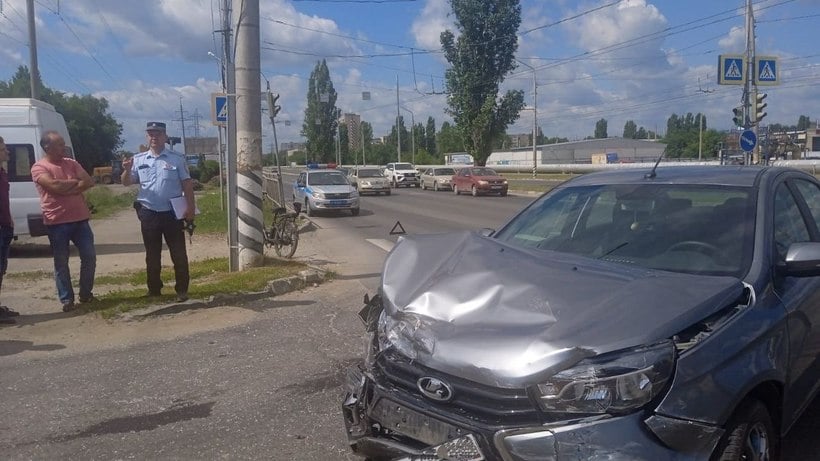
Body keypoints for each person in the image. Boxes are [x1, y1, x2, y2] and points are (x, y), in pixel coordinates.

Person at [121, 122, 195, 302]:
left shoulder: (176, 159)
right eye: (151, 134)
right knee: (152, 254)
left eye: (158, 134)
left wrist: (190, 208)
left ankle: (182, 290)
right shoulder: (138, 159)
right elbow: (126, 182)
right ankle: (154, 289)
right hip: (149, 212)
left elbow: (187, 184)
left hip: (171, 212)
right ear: (147, 137)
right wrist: (127, 170)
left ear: (165, 137)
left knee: (178, 253)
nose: (154, 137)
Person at [31, 131, 97, 312]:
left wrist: (65, 186)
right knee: (61, 261)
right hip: (57, 221)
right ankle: (67, 298)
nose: (64, 147)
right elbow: (53, 186)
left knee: (89, 256)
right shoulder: (39, 167)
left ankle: (86, 293)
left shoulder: (71, 163)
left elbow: (89, 181)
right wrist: (75, 183)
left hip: (80, 219)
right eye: (60, 144)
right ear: (47, 148)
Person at [0, 136, 20, 324]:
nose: (7, 152)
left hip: (5, 226)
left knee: (1, 269)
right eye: (3, 149)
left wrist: (10, 220)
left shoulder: (2, 172)